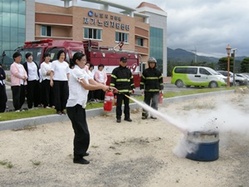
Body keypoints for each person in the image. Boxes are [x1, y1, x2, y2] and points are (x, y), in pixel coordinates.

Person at [66, 52, 114, 165]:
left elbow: (91, 81)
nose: (85, 62)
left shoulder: (83, 71)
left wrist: (107, 87)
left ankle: (81, 151)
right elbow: (86, 86)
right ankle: (77, 157)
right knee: (82, 132)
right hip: (74, 106)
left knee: (82, 131)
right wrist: (102, 87)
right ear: (77, 61)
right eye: (83, 60)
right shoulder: (76, 71)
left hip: (80, 106)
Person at [110, 57, 134, 123]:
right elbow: (112, 81)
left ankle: (127, 117)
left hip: (127, 91)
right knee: (119, 105)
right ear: (120, 62)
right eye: (123, 62)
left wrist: (132, 89)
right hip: (119, 92)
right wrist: (113, 89)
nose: (124, 63)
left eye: (125, 62)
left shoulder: (128, 70)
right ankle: (118, 118)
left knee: (127, 105)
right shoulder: (115, 70)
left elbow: (131, 80)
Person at [50, 50, 70, 115]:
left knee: (65, 95)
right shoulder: (54, 63)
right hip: (57, 80)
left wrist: (69, 81)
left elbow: (68, 73)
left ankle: (63, 108)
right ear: (58, 55)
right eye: (61, 55)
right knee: (57, 95)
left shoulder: (66, 64)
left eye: (64, 55)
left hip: (64, 80)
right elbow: (52, 72)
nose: (62, 56)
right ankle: (58, 109)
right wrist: (51, 80)